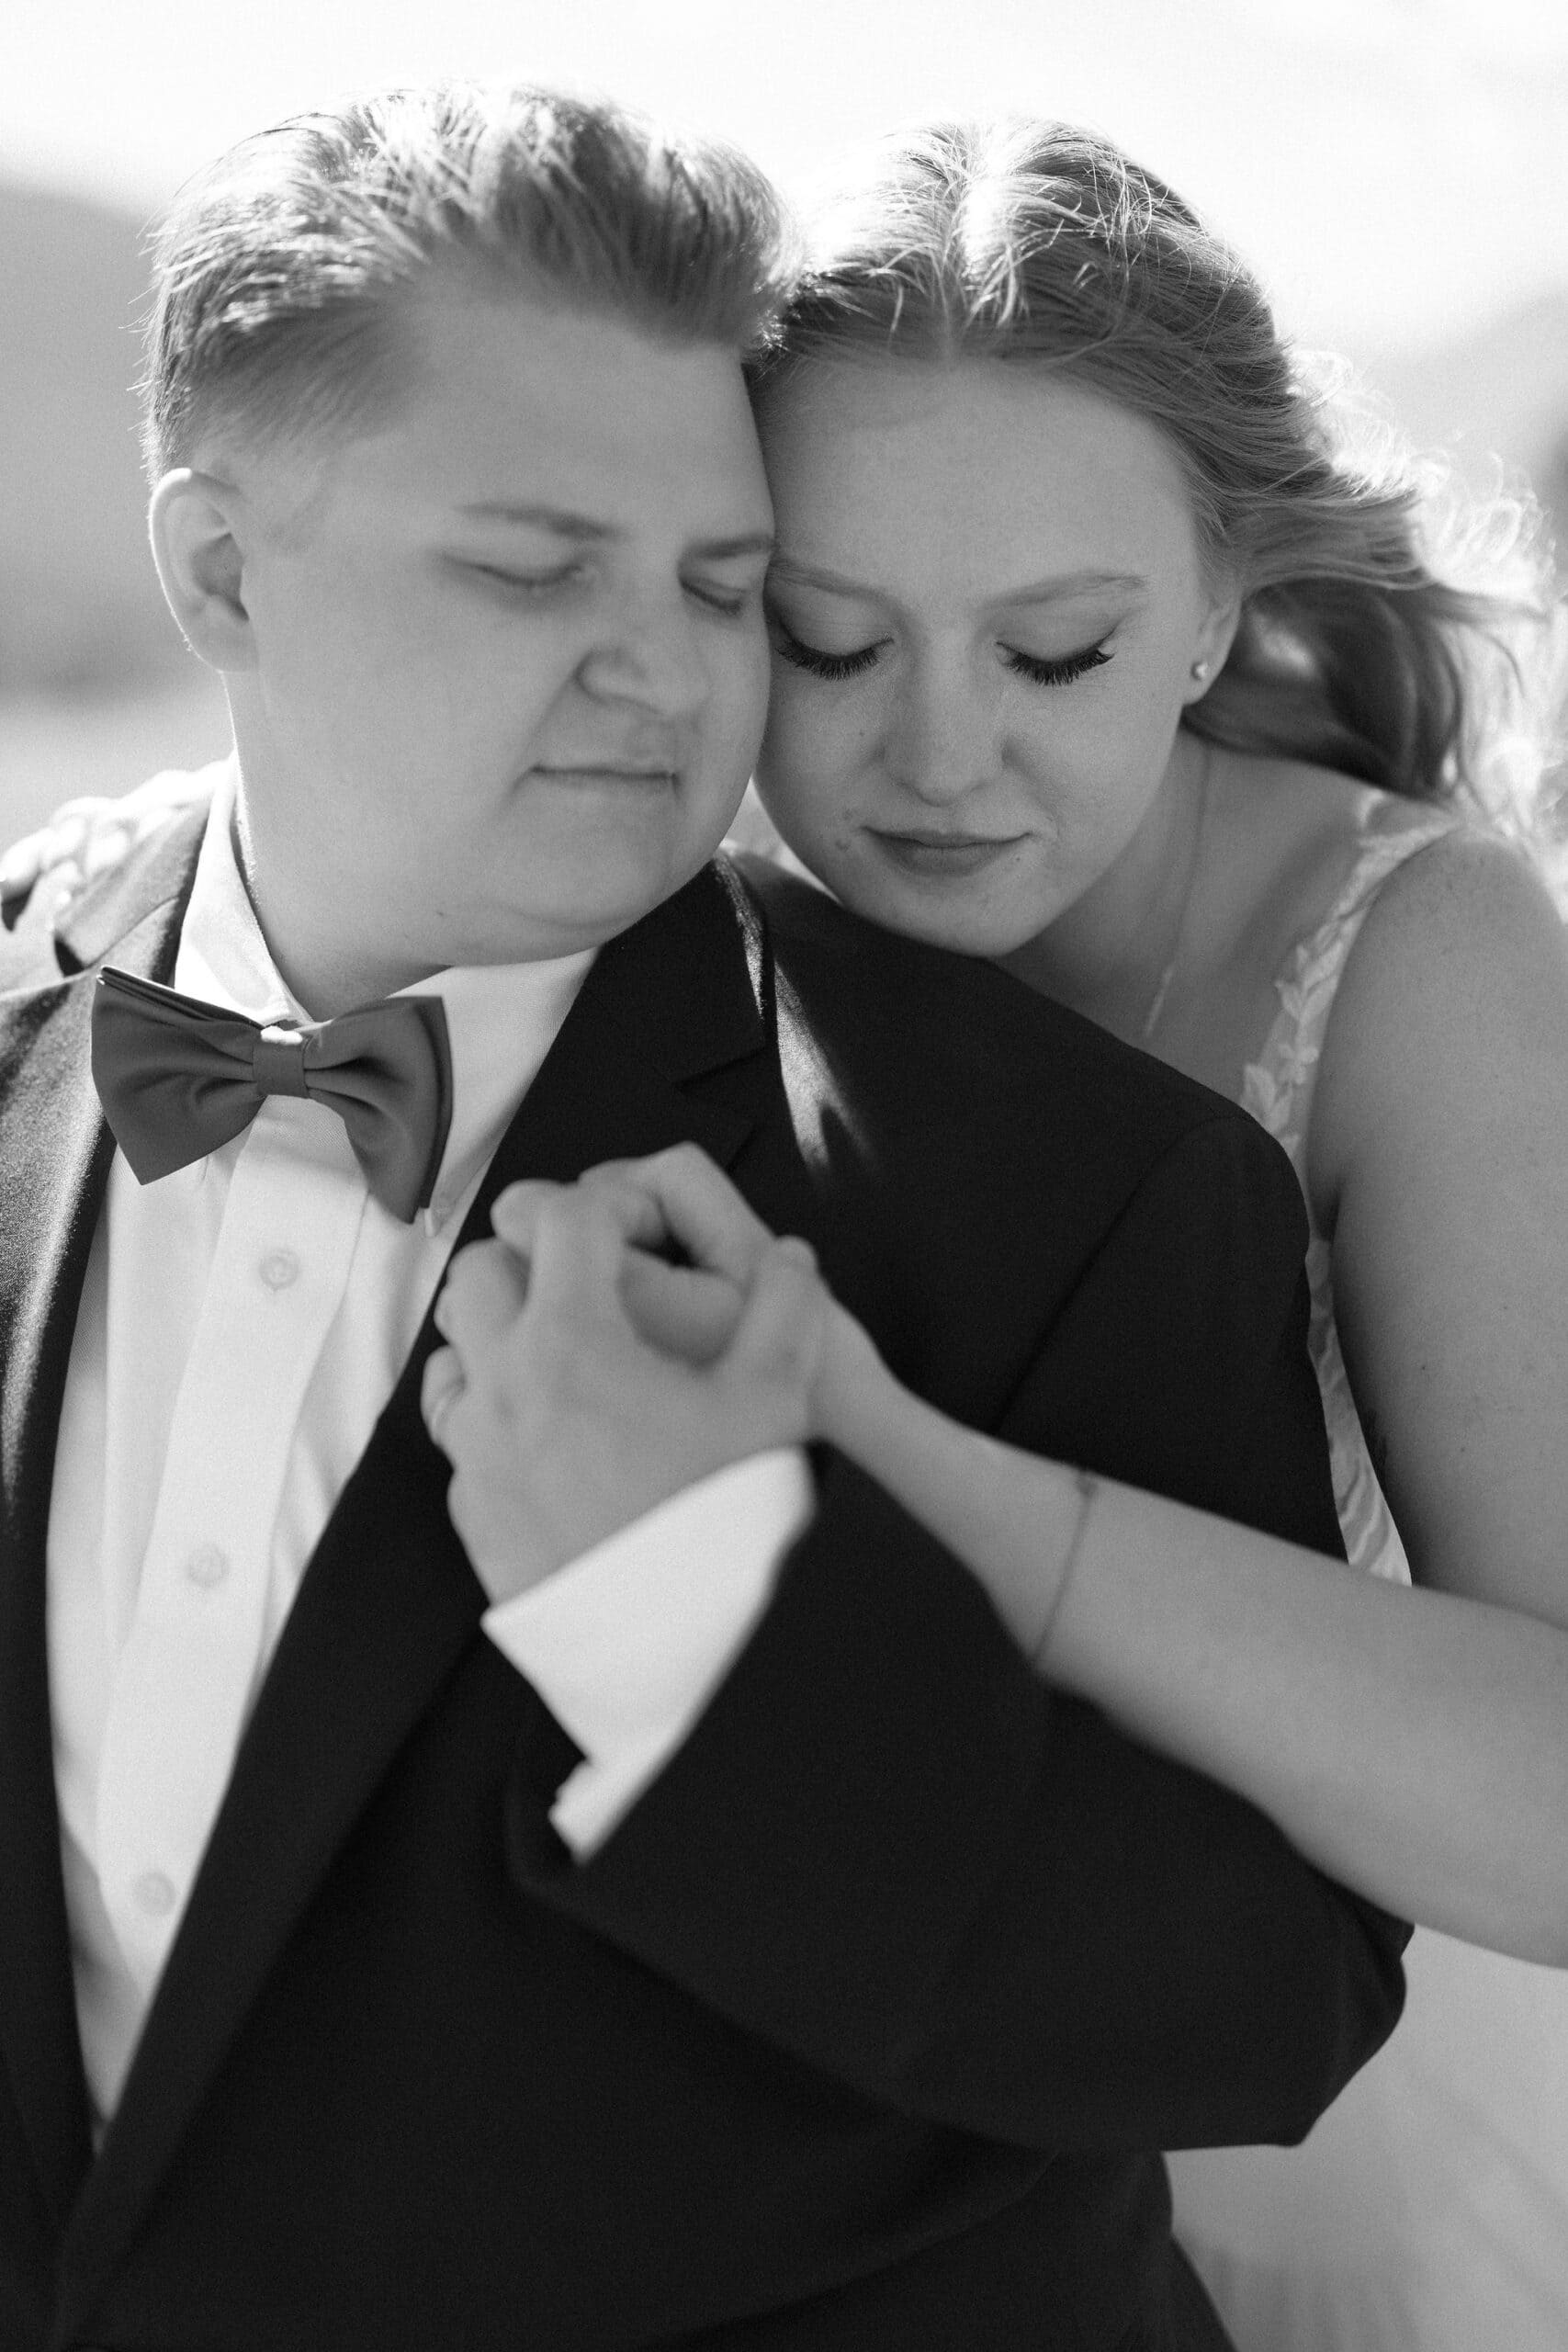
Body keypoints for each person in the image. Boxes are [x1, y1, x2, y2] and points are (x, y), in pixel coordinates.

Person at [0, 85, 1407, 2352]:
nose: (663, 670)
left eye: (726, 586)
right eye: (538, 566)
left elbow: (1258, 2005)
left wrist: (692, 1622)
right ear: (220, 569)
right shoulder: (25, 1043)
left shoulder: (1075, 1189)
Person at [536, 119, 1565, 2352]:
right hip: (881, 2125)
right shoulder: (678, 891)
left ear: (1209, 602)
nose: (935, 761)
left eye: (1057, 652)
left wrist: (902, 1460)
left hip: (1360, 2141)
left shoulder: (1416, 951)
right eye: (824, 643)